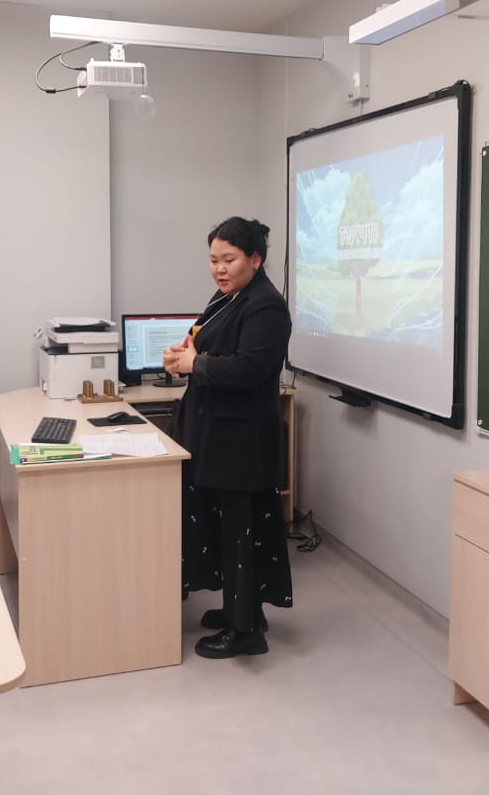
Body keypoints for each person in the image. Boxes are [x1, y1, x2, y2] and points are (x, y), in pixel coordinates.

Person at [164, 216, 294, 659]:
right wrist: (181, 356)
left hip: (241, 441)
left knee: (241, 530)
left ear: (255, 259)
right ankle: (239, 609)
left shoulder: (266, 306)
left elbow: (248, 368)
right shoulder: (226, 297)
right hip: (215, 434)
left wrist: (195, 365)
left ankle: (246, 632)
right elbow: (202, 343)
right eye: (213, 260)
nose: (219, 269)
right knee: (225, 527)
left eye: (229, 259)